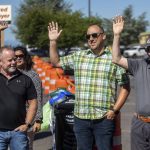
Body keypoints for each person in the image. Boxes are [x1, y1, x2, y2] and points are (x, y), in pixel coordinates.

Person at [48, 21, 130, 150]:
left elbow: (125, 87)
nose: (91, 39)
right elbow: (56, 62)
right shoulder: (79, 56)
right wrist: (53, 42)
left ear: (103, 36)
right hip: (81, 118)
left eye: (94, 35)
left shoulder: (114, 59)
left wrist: (115, 110)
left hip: (104, 119)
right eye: (88, 36)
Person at [112, 16, 150, 150]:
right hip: (140, 124)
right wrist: (117, 35)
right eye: (148, 49)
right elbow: (116, 58)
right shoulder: (140, 65)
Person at [0, 46, 37, 150]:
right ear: (1, 62)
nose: (13, 62)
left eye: (14, 59)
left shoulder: (26, 79)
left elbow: (33, 102)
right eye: (9, 60)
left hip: (18, 132)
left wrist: (27, 124)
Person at [14, 46, 43, 150]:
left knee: (27, 146)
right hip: (12, 119)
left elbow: (38, 97)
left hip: (28, 119)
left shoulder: (33, 75)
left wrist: (38, 120)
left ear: (25, 57)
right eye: (15, 56)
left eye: (21, 56)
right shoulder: (9, 74)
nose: (18, 58)